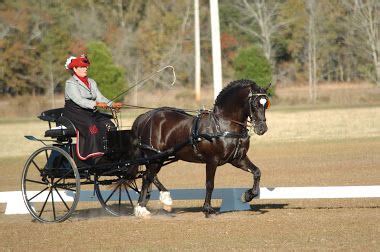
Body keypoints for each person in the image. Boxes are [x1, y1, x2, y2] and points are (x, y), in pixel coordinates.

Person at [63, 54, 123, 161]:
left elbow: (100, 97)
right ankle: (94, 156)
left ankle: (111, 153)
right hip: (76, 113)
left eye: (86, 66)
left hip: (91, 113)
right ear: (75, 69)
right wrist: (96, 104)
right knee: (92, 128)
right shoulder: (70, 83)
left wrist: (112, 104)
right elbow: (79, 100)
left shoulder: (91, 82)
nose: (85, 69)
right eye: (82, 67)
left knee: (110, 125)